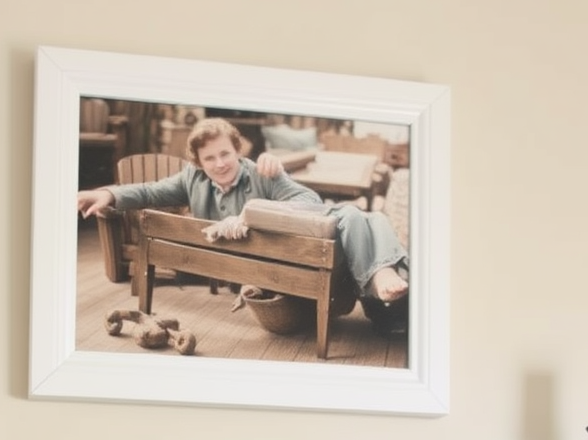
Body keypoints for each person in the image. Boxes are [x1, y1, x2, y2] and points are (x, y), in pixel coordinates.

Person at [76, 117, 409, 306]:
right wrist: (107, 192)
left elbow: (311, 204)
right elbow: (150, 191)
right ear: (197, 162)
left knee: (362, 216)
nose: (220, 164)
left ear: (237, 150)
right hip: (243, 268)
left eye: (225, 154)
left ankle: (384, 282)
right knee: (364, 217)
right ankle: (385, 280)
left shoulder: (259, 172)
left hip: (284, 258)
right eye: (209, 158)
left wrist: (266, 194)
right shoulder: (192, 178)